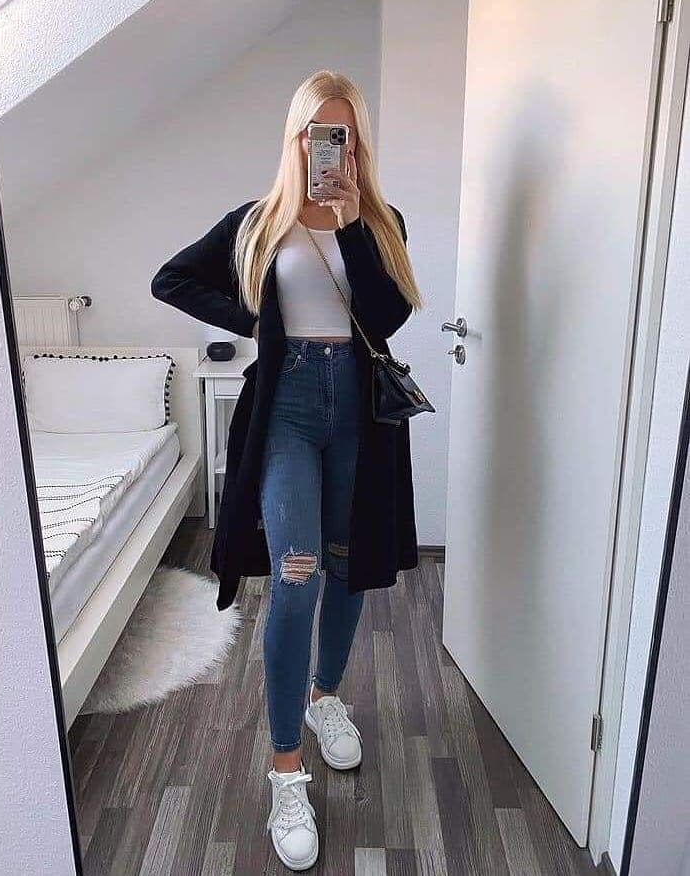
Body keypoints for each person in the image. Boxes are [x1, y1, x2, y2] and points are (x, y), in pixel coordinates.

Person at [152, 69, 422, 872]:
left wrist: (352, 224)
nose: (327, 147)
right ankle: (284, 769)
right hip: (289, 410)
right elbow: (171, 278)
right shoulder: (258, 220)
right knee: (296, 576)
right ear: (296, 138)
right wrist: (258, 319)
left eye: (342, 134)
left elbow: (389, 316)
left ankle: (325, 697)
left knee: (346, 567)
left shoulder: (381, 222)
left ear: (357, 142)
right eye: (316, 133)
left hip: (360, 413)